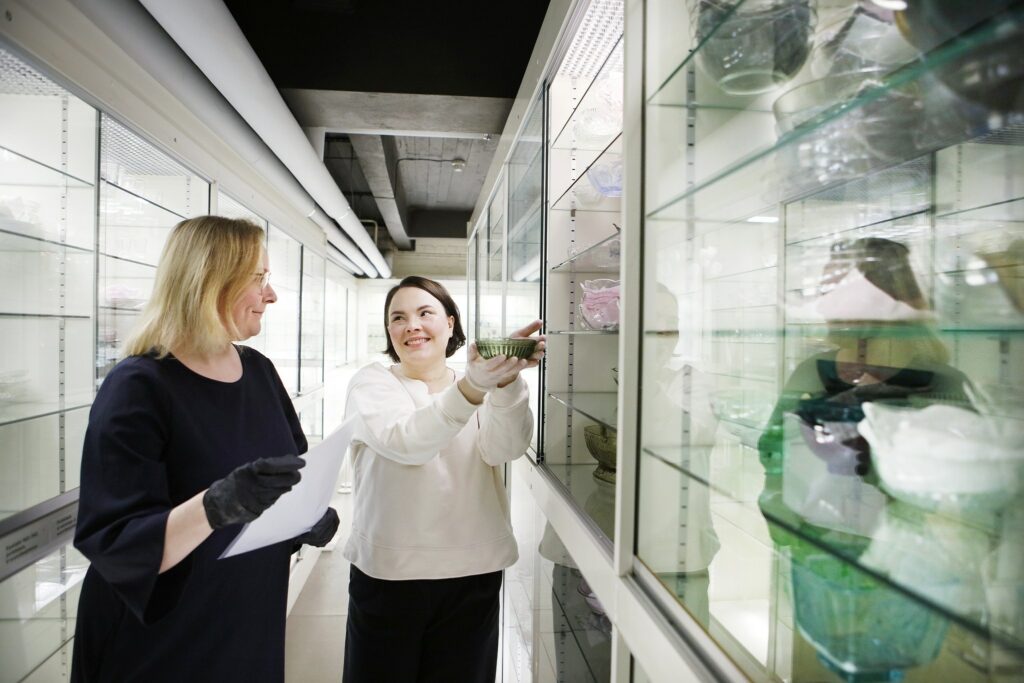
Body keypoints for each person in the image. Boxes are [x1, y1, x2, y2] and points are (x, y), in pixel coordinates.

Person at [71, 216, 339, 682]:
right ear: (211, 282)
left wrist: (305, 516)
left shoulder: (259, 372)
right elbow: (114, 542)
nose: (270, 296)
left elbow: (288, 474)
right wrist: (215, 506)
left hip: (247, 620)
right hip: (163, 640)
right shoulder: (138, 386)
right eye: (259, 279)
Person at [342, 275, 545, 682]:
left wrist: (505, 385)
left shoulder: (475, 384)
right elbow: (408, 441)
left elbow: (503, 449)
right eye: (398, 318)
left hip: (473, 572)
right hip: (390, 575)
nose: (411, 325)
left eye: (424, 313)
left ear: (450, 323)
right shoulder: (372, 383)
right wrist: (473, 387)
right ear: (388, 331)